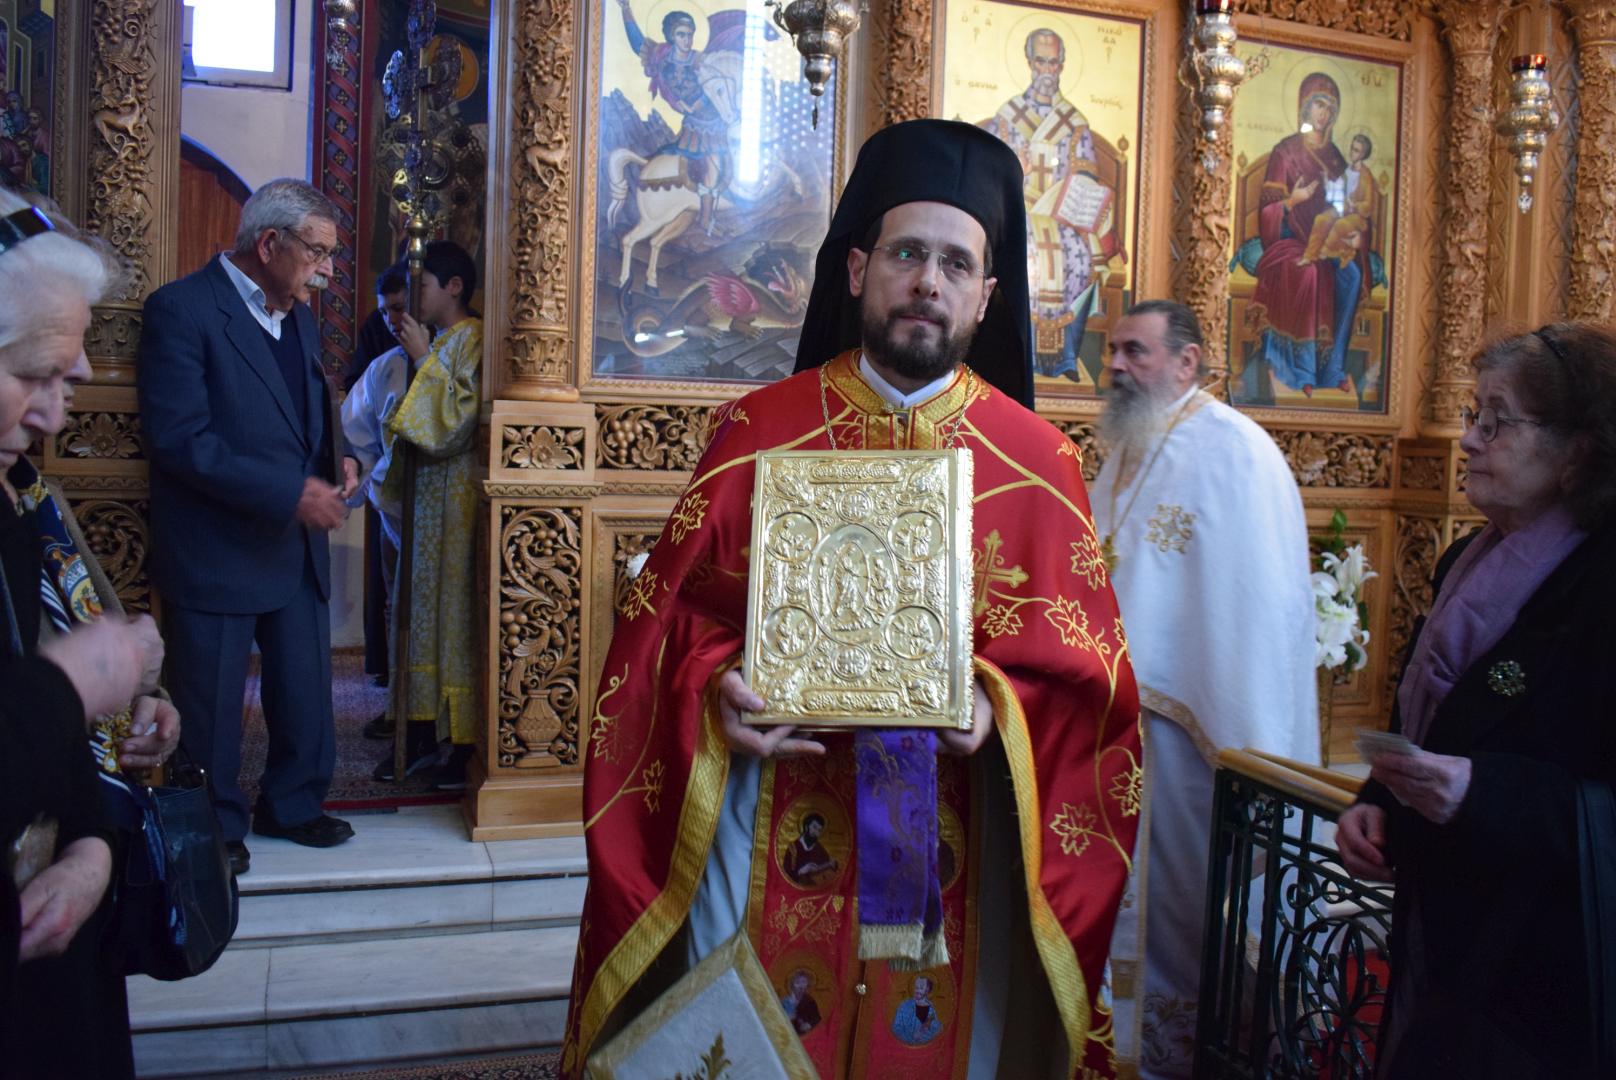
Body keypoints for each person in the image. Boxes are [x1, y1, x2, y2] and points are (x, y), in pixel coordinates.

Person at [563, 119, 1141, 1080]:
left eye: (957, 264)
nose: (928, 283)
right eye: (907, 254)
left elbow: (1093, 685)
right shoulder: (759, 430)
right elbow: (663, 629)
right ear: (858, 269)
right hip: (767, 813)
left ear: (987, 294)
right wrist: (715, 690)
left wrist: (999, 707)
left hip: (959, 833)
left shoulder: (1038, 464)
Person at [1336, 324, 1616, 1078]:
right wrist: (1378, 801)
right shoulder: (1467, 556)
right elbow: (1429, 715)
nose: (1467, 440)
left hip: (1545, 962)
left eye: (1497, 423)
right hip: (1444, 919)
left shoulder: (1601, 584)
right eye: (1473, 415)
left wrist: (1480, 791)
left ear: (1577, 451)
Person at [1091, 300, 1316, 1078]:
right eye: (1113, 350)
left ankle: (1180, 1057)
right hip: (1117, 724)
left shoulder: (1237, 452)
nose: (1116, 365)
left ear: (1187, 361)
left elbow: (1257, 603)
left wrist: (1242, 728)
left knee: (1180, 908)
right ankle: (1116, 1048)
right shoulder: (1128, 443)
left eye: (1136, 351)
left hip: (1193, 734)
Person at [0, 187, 176, 1077]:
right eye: (33, 375)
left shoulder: (16, 494)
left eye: (66, 382)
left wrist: (93, 848)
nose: (52, 416)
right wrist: (75, 681)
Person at [138, 178, 359, 876]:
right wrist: (289, 493)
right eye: (317, 253)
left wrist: (339, 459)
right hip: (218, 542)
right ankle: (213, 824)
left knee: (304, 688)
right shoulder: (181, 310)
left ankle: (292, 804)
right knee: (209, 697)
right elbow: (181, 439)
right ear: (269, 244)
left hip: (294, 543)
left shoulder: (298, 317)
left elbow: (302, 412)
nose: (326, 272)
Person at [371, 240, 483, 790]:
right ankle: (417, 728)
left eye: (424, 286)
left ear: (453, 287)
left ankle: (457, 743)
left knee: (450, 617)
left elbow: (457, 420)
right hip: (426, 502)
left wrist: (423, 360)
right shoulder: (441, 340)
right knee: (415, 610)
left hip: (457, 503)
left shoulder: (475, 338)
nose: (414, 299)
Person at [980, 28, 1119, 386]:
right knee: (1021, 251)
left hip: (1061, 215)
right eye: (1040, 61)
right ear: (1029, 63)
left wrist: (1077, 191)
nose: (1046, 70)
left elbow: (1086, 172)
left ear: (1062, 66)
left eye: (1053, 63)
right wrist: (1018, 170)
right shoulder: (1008, 116)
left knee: (1077, 256)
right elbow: (988, 175)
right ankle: (1013, 357)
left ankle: (1065, 357)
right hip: (1017, 213)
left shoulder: (1074, 121)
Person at [1245, 73, 1367, 398]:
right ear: (1305, 107)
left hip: (1327, 241)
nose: (1323, 114)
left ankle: (1332, 368)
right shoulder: (1286, 152)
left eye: (1329, 108)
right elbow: (1268, 212)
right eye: (1318, 105)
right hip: (1288, 241)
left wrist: (1352, 237)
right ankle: (1301, 371)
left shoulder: (1336, 158)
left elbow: (1344, 207)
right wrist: (1291, 201)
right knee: (1309, 273)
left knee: (1352, 276)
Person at [345, 265, 410, 718]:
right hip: (391, 505)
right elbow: (358, 433)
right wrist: (352, 474)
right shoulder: (383, 366)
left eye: (399, 308)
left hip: (444, 510)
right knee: (394, 604)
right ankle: (397, 705)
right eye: (385, 311)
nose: (391, 320)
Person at [780, 969, 821, 1035]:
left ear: (807, 985)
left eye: (803, 982)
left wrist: (809, 1024)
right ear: (792, 985)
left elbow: (816, 1018)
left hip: (806, 1035)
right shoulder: (786, 1001)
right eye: (797, 982)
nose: (801, 986)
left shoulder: (810, 1001)